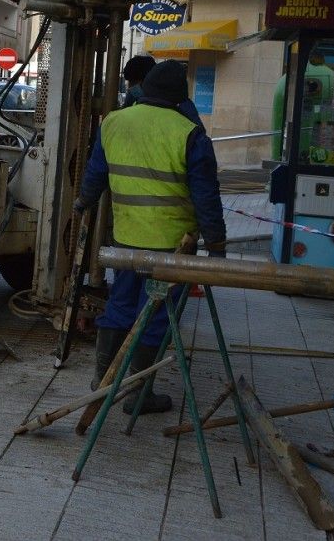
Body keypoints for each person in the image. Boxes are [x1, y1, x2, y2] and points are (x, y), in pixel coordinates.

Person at [75, 60, 227, 414]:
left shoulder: (112, 122)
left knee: (121, 305)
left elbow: (95, 173)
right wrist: (217, 247)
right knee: (157, 314)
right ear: (179, 97)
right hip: (172, 246)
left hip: (126, 240)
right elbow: (207, 196)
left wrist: (83, 202)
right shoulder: (189, 131)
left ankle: (103, 382)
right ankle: (139, 394)